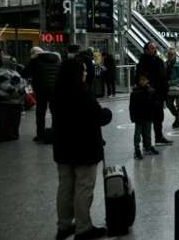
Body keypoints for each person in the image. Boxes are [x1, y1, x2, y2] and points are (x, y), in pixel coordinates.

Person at [51, 58, 112, 240]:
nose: (85, 73)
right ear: (76, 73)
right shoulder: (82, 93)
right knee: (84, 187)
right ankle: (83, 228)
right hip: (84, 148)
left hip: (63, 147)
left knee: (65, 187)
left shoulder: (57, 92)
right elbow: (98, 117)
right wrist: (107, 113)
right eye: (83, 70)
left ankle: (64, 226)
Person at [21, 47, 61, 142]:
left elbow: (24, 74)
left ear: (34, 53)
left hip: (41, 90)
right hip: (55, 89)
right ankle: (56, 134)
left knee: (40, 113)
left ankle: (40, 135)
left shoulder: (35, 60)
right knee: (55, 113)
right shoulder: (56, 58)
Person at [136, 42, 173, 145]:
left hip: (159, 94)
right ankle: (147, 143)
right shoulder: (143, 62)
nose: (155, 50)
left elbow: (164, 75)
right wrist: (149, 87)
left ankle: (159, 137)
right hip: (149, 95)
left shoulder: (158, 60)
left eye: (155, 48)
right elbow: (140, 78)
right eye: (152, 48)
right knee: (148, 119)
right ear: (146, 50)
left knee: (159, 117)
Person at [130, 73, 160, 159]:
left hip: (148, 116)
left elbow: (155, 103)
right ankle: (137, 150)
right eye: (141, 80)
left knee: (147, 133)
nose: (142, 81)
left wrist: (155, 111)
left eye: (144, 80)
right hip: (138, 116)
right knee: (137, 134)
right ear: (138, 81)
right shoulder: (135, 92)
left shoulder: (151, 91)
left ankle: (148, 147)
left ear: (148, 80)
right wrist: (132, 116)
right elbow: (131, 106)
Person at [166, 48, 179, 128]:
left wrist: (171, 82)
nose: (170, 56)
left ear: (175, 55)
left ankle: (178, 120)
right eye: (169, 54)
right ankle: (178, 118)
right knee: (169, 104)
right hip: (169, 89)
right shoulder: (166, 63)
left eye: (172, 54)